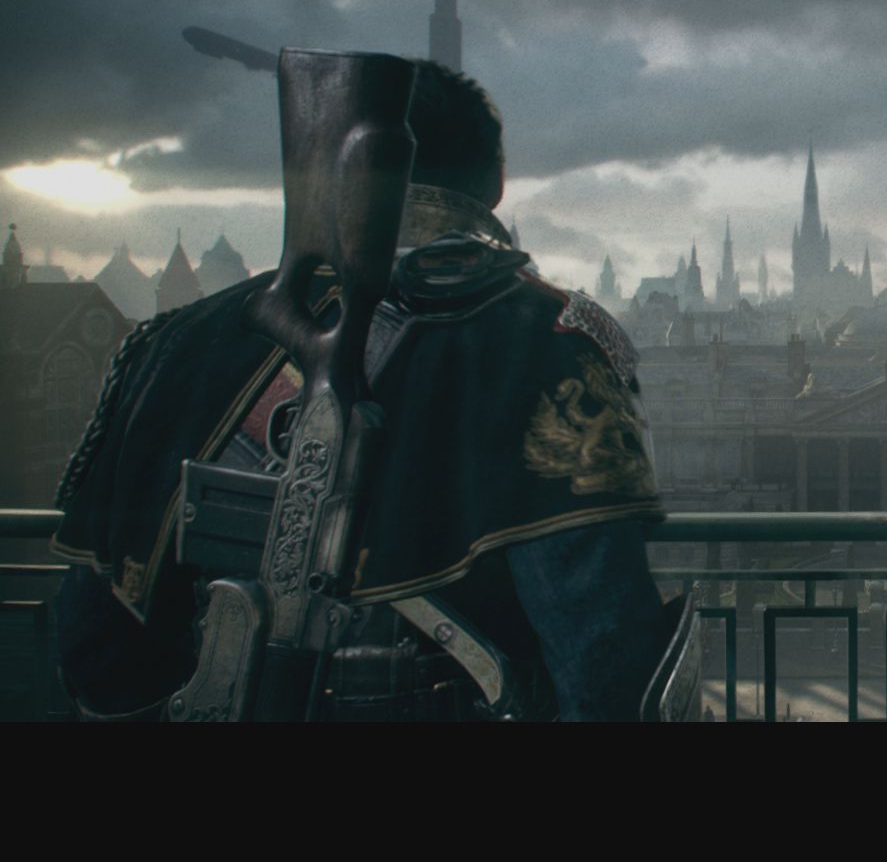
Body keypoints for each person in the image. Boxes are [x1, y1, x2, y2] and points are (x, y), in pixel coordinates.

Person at [51, 60, 670, 721]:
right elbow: (600, 652)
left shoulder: (174, 341)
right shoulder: (548, 338)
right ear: (494, 180)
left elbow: (94, 643)